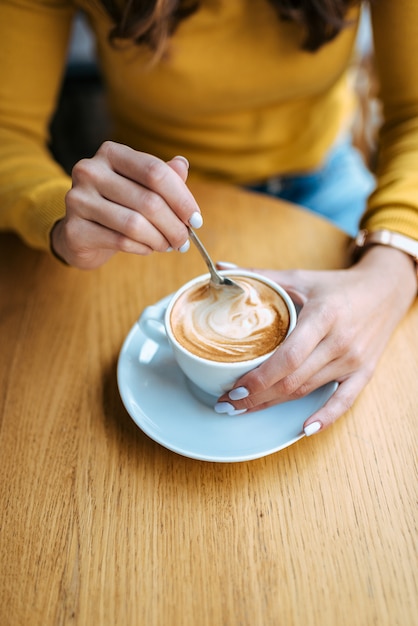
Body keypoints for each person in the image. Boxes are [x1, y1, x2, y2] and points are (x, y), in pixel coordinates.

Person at [0, 1, 417, 436]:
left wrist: (393, 266)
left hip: (324, 183)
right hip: (154, 212)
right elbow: (7, 134)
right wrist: (59, 216)